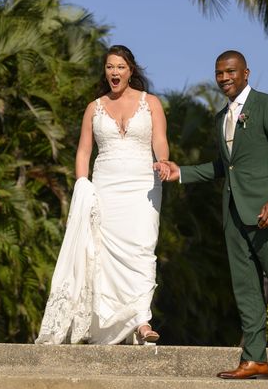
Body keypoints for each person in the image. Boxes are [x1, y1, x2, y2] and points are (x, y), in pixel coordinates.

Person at [155, 50, 268, 380]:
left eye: (230, 72)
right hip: (234, 215)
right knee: (246, 289)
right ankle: (254, 359)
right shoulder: (220, 119)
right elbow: (224, 167)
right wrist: (179, 172)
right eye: (219, 73)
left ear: (245, 73)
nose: (224, 78)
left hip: (267, 212)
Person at [36, 44, 169, 345]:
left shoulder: (152, 104)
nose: (114, 72)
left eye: (120, 67)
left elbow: (159, 140)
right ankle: (128, 322)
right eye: (110, 67)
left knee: (141, 249)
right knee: (104, 255)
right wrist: (83, 185)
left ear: (131, 70)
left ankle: (141, 318)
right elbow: (84, 151)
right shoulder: (93, 108)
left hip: (142, 186)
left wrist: (162, 161)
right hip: (105, 186)